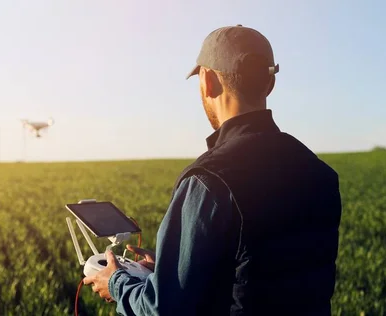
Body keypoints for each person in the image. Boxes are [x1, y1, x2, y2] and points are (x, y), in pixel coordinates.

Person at [83, 24, 342, 315]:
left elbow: (165, 308)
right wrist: (173, 266)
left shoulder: (209, 180)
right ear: (269, 84)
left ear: (208, 81)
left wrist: (116, 283)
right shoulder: (319, 173)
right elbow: (272, 271)